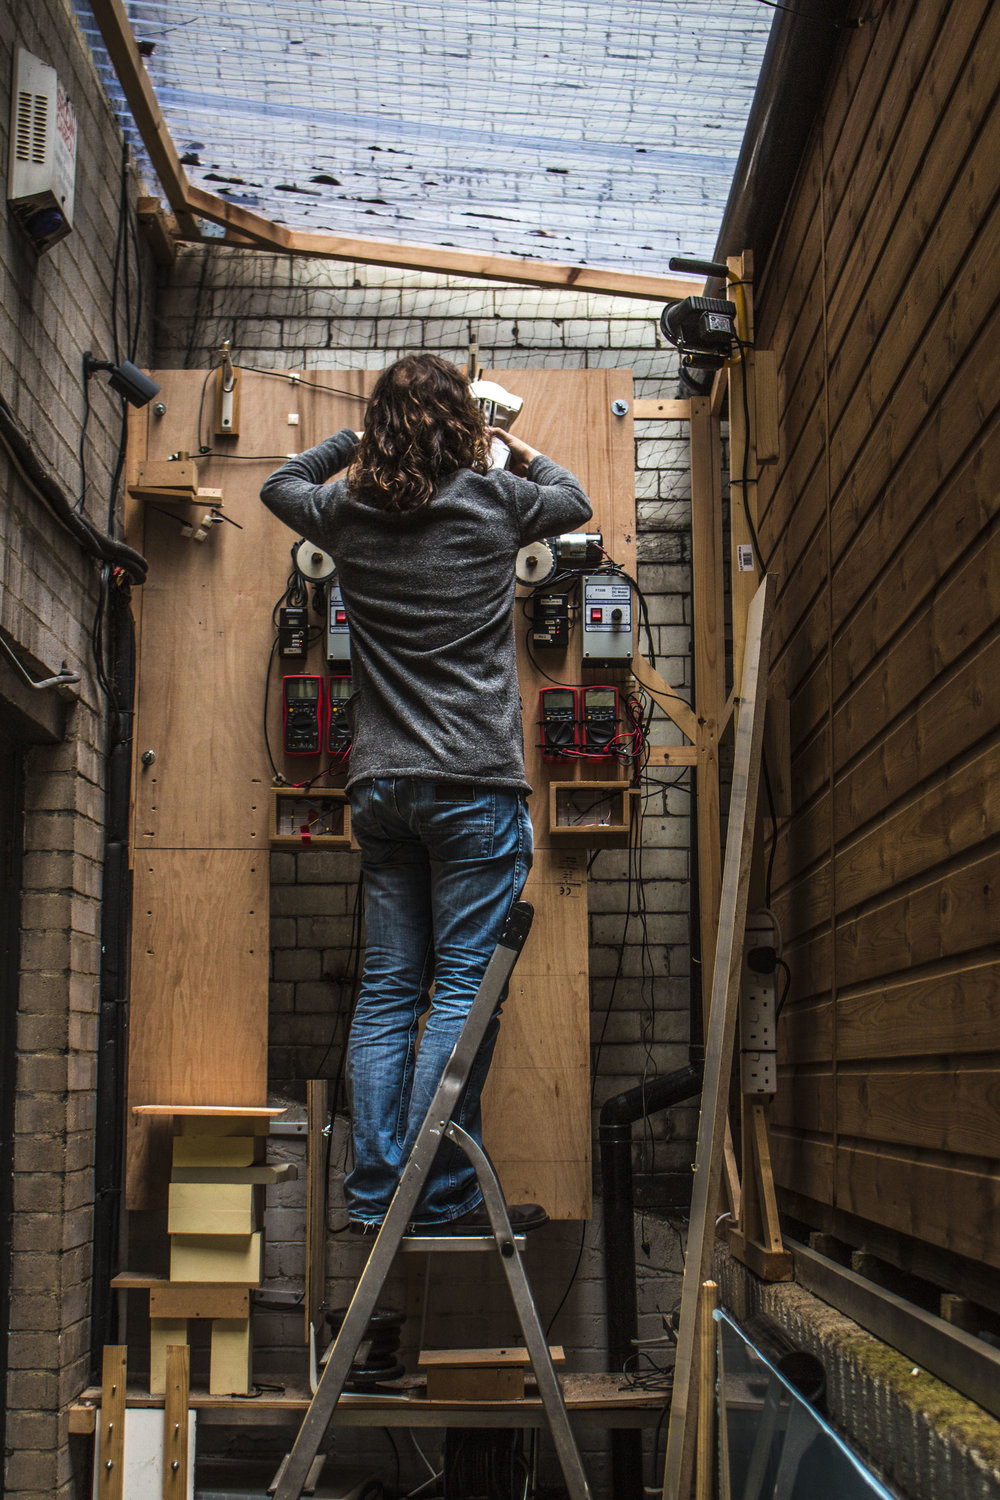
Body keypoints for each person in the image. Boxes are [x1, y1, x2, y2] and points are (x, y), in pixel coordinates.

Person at [261, 353, 593, 1234]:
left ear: (380, 429)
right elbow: (574, 498)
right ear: (463, 427)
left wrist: (359, 443)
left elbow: (282, 481)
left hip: (381, 789)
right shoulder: (496, 501)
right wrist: (508, 448)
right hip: (473, 784)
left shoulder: (344, 512)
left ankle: (375, 1198)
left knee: (386, 991)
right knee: (458, 991)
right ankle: (435, 1195)